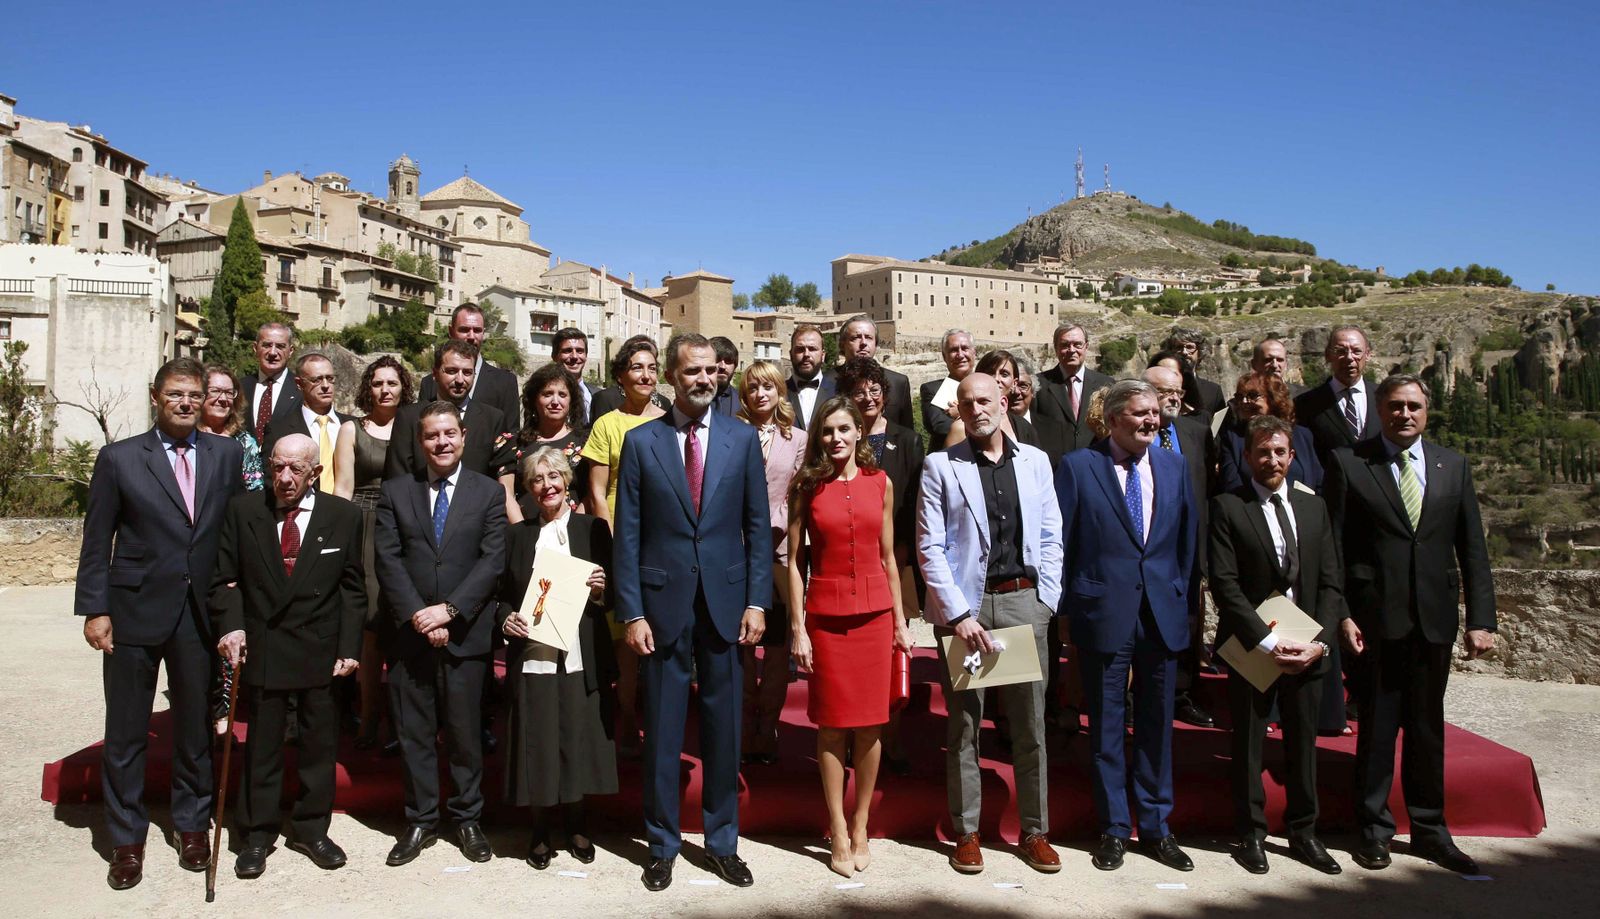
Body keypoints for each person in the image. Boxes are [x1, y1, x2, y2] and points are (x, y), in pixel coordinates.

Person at [74, 357, 244, 890]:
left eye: (195, 394)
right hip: (133, 611)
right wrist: (95, 609)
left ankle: (191, 826)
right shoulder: (120, 458)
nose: (187, 403)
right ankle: (126, 840)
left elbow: (237, 535)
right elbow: (97, 538)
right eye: (176, 394)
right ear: (156, 396)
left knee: (195, 727)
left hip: (200, 616)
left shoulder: (226, 454)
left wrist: (236, 613)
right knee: (126, 731)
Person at [613, 333, 773, 892]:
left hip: (727, 606)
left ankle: (723, 841)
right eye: (691, 372)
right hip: (661, 607)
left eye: (711, 371)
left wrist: (757, 600)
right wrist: (630, 611)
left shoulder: (742, 439)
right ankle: (660, 844)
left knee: (724, 728)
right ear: (670, 377)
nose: (704, 379)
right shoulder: (641, 442)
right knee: (660, 729)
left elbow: (757, 529)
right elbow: (627, 535)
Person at [1325, 374, 1497, 875]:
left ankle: (1429, 830)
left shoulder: (1453, 465)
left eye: (1414, 406)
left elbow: (1474, 549)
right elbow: (1332, 550)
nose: (1404, 414)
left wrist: (1482, 619)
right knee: (1377, 729)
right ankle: (1374, 830)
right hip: (1374, 620)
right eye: (1395, 406)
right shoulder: (1349, 463)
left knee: (1427, 729)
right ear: (1380, 409)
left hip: (1435, 619)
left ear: (1427, 411)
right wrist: (1340, 614)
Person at [917, 373, 1063, 876]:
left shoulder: (1036, 462)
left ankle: (1035, 831)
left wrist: (1046, 601)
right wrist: (958, 615)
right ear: (957, 410)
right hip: (968, 613)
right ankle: (968, 832)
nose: (976, 408)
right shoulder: (940, 466)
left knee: (1030, 726)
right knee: (964, 728)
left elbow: (1050, 535)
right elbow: (930, 547)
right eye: (966, 402)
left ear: (1004, 402)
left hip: (1024, 604)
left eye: (984, 399)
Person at [1056, 380, 1196, 873]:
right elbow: (1065, 546)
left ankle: (1157, 826)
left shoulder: (1175, 467)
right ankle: (1114, 827)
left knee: (1157, 724)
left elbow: (1185, 544)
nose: (1151, 421)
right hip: (1103, 612)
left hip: (1162, 613)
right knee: (1108, 726)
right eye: (1139, 414)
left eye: (1155, 413)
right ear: (1113, 419)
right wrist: (1069, 612)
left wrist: (1180, 596)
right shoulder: (1078, 468)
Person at [211, 435, 366, 878]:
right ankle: (256, 834)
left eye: (295, 469)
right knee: (262, 747)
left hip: (320, 647)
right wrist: (233, 625)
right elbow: (225, 580)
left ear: (315, 473)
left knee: (318, 746)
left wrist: (349, 648)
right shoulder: (244, 511)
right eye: (277, 467)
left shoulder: (343, 516)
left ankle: (310, 828)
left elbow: (353, 590)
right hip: (264, 646)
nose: (283, 478)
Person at [1208, 416, 1346, 876]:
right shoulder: (1228, 507)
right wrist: (1266, 640)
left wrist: (1317, 644)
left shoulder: (1313, 508)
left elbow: (1329, 582)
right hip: (1252, 645)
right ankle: (1250, 833)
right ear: (1247, 457)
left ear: (1292, 456)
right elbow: (1224, 584)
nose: (1272, 460)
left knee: (1303, 742)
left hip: (1306, 646)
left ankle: (1304, 831)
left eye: (1280, 452)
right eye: (1263, 452)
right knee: (1248, 742)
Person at [375, 402, 508, 867]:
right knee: (414, 733)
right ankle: (421, 820)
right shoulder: (395, 492)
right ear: (420, 441)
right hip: (411, 637)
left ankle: (468, 818)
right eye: (432, 436)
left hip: (466, 635)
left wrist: (449, 612)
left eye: (449, 433)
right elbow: (388, 560)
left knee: (465, 733)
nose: (442, 443)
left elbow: (493, 560)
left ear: (464, 436)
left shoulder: (488, 493)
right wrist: (419, 614)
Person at [787, 397, 911, 878]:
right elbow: (795, 562)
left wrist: (900, 622)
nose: (836, 438)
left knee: (871, 723)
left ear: (860, 432)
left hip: (875, 614)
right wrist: (798, 627)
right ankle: (837, 827)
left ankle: (861, 824)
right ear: (818, 437)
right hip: (826, 616)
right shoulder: (807, 486)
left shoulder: (882, 482)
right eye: (827, 431)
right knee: (833, 726)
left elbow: (887, 558)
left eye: (844, 429)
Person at [497, 447, 617, 870]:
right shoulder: (516, 536)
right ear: (528, 489)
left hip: (581, 654)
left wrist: (601, 589)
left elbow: (615, 594)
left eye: (554, 477)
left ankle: (578, 824)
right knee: (538, 739)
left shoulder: (593, 529)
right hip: (535, 654)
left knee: (576, 738)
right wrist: (506, 618)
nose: (546, 486)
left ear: (567, 481)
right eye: (536, 480)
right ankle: (539, 828)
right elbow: (500, 597)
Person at [581, 337, 668, 756]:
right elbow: (597, 492)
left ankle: (657, 719)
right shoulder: (607, 425)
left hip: (664, 542)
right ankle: (627, 718)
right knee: (624, 639)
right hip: (620, 539)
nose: (646, 374)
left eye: (652, 367)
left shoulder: (670, 420)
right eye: (637, 367)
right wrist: (616, 545)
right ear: (620, 376)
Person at [839, 357, 925, 775]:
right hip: (850, 564)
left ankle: (889, 736)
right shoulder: (840, 440)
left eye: (875, 389)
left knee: (894, 652)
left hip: (897, 560)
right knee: (857, 657)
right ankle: (858, 737)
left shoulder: (907, 441)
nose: (868, 396)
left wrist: (906, 554)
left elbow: (913, 503)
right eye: (859, 390)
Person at [334, 355, 412, 749]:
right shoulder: (351, 429)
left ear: (403, 388)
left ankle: (400, 726)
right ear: (368, 388)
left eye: (392, 383)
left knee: (399, 628)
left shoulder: (414, 428)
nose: (385, 389)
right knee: (368, 630)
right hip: (362, 526)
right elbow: (344, 487)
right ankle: (367, 721)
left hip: (404, 528)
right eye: (378, 383)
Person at [735, 360, 804, 766]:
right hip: (736, 549)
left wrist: (770, 527)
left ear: (780, 391)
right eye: (753, 387)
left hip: (779, 550)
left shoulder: (798, 438)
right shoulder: (731, 434)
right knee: (741, 643)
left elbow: (797, 495)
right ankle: (745, 724)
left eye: (768, 387)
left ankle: (768, 725)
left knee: (776, 646)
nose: (761, 394)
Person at [1142, 364, 1217, 730]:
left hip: (1186, 550)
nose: (1173, 398)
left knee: (1187, 624)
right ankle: (1136, 697)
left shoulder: (1196, 432)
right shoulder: (1129, 436)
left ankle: (1182, 695)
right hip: (1144, 551)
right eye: (1164, 391)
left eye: (1178, 393)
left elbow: (1209, 490)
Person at [386, 341, 517, 516]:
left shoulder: (493, 419)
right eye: (452, 371)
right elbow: (397, 481)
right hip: (418, 524)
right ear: (435, 374)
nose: (460, 380)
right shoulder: (409, 418)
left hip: (476, 525)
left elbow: (501, 486)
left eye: (467, 372)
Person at [419, 302, 522, 430]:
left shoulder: (505, 383)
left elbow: (511, 434)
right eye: (464, 330)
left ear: (483, 333)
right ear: (451, 331)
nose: (471, 336)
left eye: (477, 330)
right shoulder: (429, 383)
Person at [1217, 372, 1324, 493]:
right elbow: (1232, 487)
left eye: (1252, 395)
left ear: (1273, 398)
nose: (1244, 401)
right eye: (1239, 397)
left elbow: (1318, 482)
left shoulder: (1302, 435)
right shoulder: (1232, 439)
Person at [1294, 326, 1380, 471]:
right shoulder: (1306, 404)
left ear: (1368, 354)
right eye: (1341, 351)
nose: (1349, 357)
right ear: (1328, 355)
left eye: (1356, 351)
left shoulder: (1384, 397)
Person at [513, 362, 590, 521]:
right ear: (534, 400)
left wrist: (572, 525)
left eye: (562, 395)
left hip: (573, 530)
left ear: (571, 401)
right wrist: (522, 532)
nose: (555, 401)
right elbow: (506, 493)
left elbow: (593, 492)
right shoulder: (516, 443)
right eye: (547, 394)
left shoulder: (586, 441)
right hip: (527, 531)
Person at [1034, 323, 1113, 467]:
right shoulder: (1038, 385)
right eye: (1065, 345)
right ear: (1056, 348)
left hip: (1096, 467)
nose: (1071, 350)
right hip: (1054, 470)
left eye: (1077, 344)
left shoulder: (1107, 384)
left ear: (1086, 347)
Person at [262, 352, 342, 491]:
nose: (325, 385)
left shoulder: (353, 426)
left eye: (330, 378)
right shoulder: (279, 430)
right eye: (316, 380)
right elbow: (272, 479)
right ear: (299, 384)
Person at [945, 349, 1040, 449]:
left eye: (1004, 374)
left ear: (1014, 383)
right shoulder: (961, 428)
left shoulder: (1023, 426)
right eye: (990, 373)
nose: (996, 379)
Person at [840, 315, 914, 429]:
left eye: (869, 337)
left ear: (876, 343)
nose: (863, 343)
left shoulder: (898, 382)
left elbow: (907, 431)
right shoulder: (825, 382)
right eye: (856, 337)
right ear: (842, 344)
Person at [200, 363, 262, 491]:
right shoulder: (185, 434)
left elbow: (255, 491)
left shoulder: (244, 442)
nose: (223, 399)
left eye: (229, 393)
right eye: (215, 391)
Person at [241, 322, 303, 444]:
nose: (273, 353)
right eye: (267, 345)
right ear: (255, 348)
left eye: (280, 346)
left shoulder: (302, 389)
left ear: (290, 351)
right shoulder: (240, 387)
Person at [588, 334, 672, 422]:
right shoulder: (605, 401)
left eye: (652, 368)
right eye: (637, 367)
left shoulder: (664, 404)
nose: (646, 376)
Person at [917, 329, 975, 452]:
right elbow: (938, 426)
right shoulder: (932, 389)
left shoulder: (988, 386)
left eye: (964, 348)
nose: (960, 355)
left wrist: (960, 412)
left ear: (974, 352)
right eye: (954, 350)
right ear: (944, 356)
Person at [1163, 328, 1226, 424]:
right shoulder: (1160, 387)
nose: (1184, 352)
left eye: (1189, 347)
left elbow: (1220, 427)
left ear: (1199, 351)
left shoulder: (1213, 391)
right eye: (1179, 347)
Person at [786, 325, 836, 430]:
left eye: (812, 349)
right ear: (791, 355)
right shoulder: (778, 393)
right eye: (800, 349)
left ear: (823, 356)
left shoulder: (839, 392)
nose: (806, 354)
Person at [553, 327, 600, 421]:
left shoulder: (598, 396)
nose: (574, 356)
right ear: (554, 356)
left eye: (579, 351)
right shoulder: (545, 397)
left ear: (586, 356)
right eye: (567, 351)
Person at [709, 335, 742, 418]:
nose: (722, 366)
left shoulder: (745, 402)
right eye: (717, 359)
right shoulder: (691, 402)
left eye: (728, 361)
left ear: (735, 366)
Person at [1009, 357, 1036, 421]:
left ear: (1032, 390)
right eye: (1010, 385)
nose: (1016, 391)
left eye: (1023, 386)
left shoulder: (1054, 428)